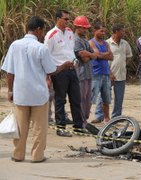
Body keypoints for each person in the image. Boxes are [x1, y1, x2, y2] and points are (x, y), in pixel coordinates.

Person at [1, 16, 74, 162]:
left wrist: (10, 90)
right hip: (38, 94)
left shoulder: (15, 45)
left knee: (21, 126)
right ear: (38, 29)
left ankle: (18, 154)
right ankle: (37, 156)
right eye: (43, 31)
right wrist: (65, 65)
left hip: (21, 93)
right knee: (39, 128)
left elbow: (9, 71)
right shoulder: (41, 48)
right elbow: (51, 70)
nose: (43, 34)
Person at [44, 10, 84, 137]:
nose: (68, 22)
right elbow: (46, 56)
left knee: (76, 99)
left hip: (72, 69)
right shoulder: (51, 35)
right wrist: (49, 75)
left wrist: (75, 61)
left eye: (68, 19)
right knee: (60, 100)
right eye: (65, 19)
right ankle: (60, 127)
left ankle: (78, 126)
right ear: (57, 19)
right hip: (60, 71)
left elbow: (70, 50)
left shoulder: (69, 32)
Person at [92, 23, 133, 123]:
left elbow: (129, 56)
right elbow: (104, 60)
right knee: (103, 97)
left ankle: (116, 117)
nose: (123, 33)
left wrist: (123, 65)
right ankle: (99, 116)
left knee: (119, 98)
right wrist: (110, 73)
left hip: (121, 74)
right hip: (107, 75)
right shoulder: (107, 43)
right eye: (122, 31)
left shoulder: (125, 44)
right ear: (116, 32)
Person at [73, 16, 97, 127]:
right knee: (81, 99)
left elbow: (93, 55)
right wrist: (89, 55)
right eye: (83, 28)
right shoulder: (75, 40)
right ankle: (80, 122)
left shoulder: (85, 41)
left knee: (88, 100)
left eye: (86, 28)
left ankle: (84, 120)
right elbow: (83, 57)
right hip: (80, 74)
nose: (85, 30)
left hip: (88, 74)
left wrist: (89, 54)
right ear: (77, 27)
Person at [89, 21, 113, 123]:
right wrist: (104, 54)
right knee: (91, 97)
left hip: (106, 73)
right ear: (95, 31)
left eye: (104, 31)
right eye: (101, 31)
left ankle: (107, 119)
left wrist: (101, 55)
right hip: (96, 74)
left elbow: (111, 56)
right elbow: (96, 54)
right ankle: (84, 117)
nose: (103, 33)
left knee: (106, 99)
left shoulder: (106, 43)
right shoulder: (91, 42)